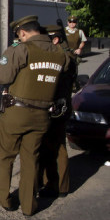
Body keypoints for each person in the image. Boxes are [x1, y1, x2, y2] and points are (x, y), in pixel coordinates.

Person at [0, 15, 69, 216]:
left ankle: (5, 199)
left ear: (23, 33)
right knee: (31, 159)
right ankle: (28, 205)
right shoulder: (60, 54)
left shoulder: (21, 50)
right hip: (42, 115)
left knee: (5, 156)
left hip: (16, 113)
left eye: (20, 35)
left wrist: (10, 51)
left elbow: (2, 76)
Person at [38, 25, 76, 198]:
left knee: (56, 147)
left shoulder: (61, 57)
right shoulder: (64, 55)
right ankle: (55, 183)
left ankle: (58, 185)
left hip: (57, 107)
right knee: (53, 146)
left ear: (55, 39)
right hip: (60, 105)